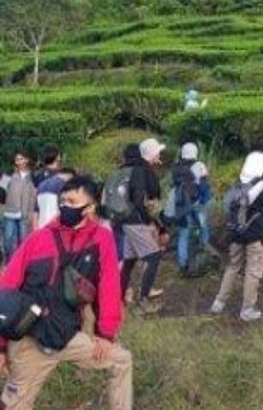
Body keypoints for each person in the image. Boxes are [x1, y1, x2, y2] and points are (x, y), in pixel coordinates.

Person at [0, 175, 131, 410]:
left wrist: (106, 335)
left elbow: (109, 287)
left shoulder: (102, 239)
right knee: (14, 405)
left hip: (68, 335)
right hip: (29, 339)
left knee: (121, 360)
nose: (65, 207)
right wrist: (1, 346)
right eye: (63, 201)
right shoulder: (39, 238)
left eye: (72, 202)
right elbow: (7, 288)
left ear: (90, 208)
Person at [211, 152, 263, 322]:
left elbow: (227, 207)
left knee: (232, 266)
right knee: (253, 271)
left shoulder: (238, 184)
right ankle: (247, 309)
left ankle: (219, 302)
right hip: (254, 234)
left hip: (235, 232)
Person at [118, 139, 166, 314]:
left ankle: (118, 297)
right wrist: (149, 221)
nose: (160, 155)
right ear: (151, 154)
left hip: (124, 220)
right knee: (153, 256)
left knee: (129, 261)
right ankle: (143, 301)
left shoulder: (125, 169)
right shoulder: (141, 170)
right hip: (136, 220)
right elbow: (142, 199)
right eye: (158, 152)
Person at [173, 142, 213, 271]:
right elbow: (204, 185)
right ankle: (205, 254)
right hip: (197, 203)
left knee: (183, 233)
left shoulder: (176, 168)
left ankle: (182, 263)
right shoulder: (199, 165)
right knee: (203, 228)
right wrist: (203, 201)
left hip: (182, 204)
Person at [1, 150, 36, 258]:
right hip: (10, 213)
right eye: (17, 160)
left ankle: (20, 261)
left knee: (23, 240)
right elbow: (2, 192)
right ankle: (9, 260)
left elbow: (33, 196)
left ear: (26, 160)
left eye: (21, 159)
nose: (19, 161)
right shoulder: (9, 175)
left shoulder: (32, 177)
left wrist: (31, 213)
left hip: (24, 214)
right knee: (7, 240)